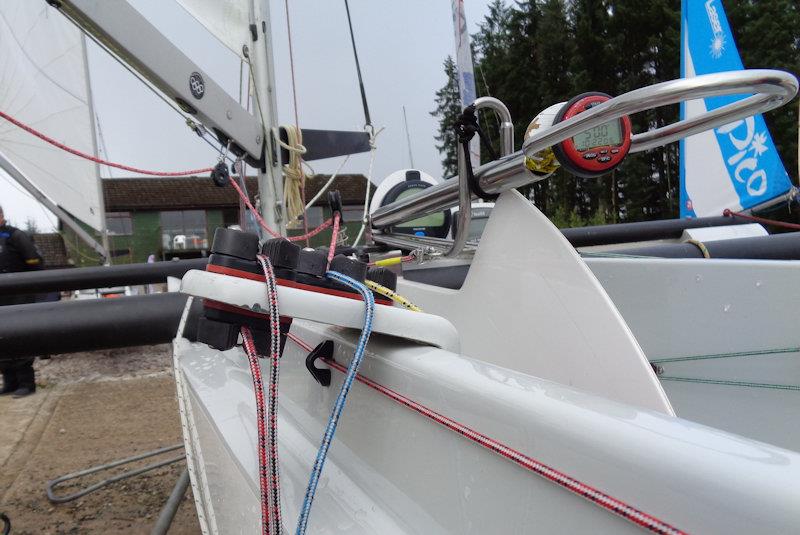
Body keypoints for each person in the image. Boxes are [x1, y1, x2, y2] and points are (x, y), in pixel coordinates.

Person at [0, 205, 43, 397]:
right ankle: (9, 382)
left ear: (1, 216)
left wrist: (27, 289)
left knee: (20, 337)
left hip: (18, 296)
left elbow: (34, 263)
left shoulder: (16, 236)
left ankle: (26, 383)